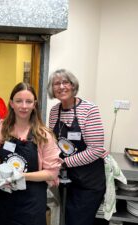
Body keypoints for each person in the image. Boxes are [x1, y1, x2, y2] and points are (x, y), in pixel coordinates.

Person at [0, 82, 62, 225]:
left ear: (34, 104)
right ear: (11, 103)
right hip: (4, 199)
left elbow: (51, 173)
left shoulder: (43, 135)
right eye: (19, 101)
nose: (24, 106)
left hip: (31, 203)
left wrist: (21, 176)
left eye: (28, 101)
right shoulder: (0, 131)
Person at [47, 69, 108, 225]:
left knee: (78, 221)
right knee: (65, 219)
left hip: (89, 182)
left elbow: (96, 150)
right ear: (52, 89)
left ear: (73, 85)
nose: (61, 87)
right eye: (56, 84)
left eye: (65, 82)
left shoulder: (89, 109)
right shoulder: (54, 111)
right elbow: (53, 143)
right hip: (66, 180)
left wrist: (65, 163)